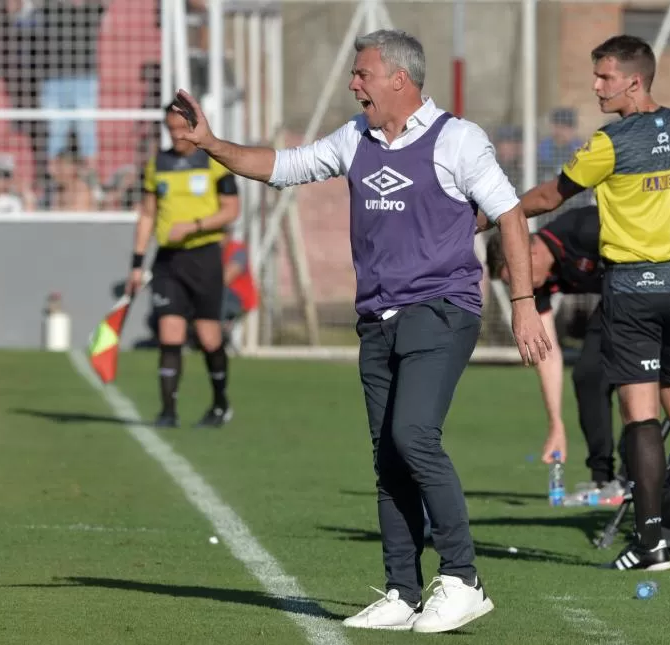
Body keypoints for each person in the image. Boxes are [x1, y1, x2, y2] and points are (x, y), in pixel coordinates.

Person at [169, 29, 550, 633]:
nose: (353, 83)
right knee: (387, 457)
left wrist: (524, 302)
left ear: (400, 79)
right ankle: (402, 591)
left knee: (413, 435)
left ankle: (464, 578)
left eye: (362, 74)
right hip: (377, 320)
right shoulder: (356, 137)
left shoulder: (458, 139)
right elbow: (283, 167)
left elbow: (507, 213)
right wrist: (210, 143)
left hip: (443, 309)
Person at [512, 34, 670, 570]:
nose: (596, 87)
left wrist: (495, 214)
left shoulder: (610, 142)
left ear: (634, 81)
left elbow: (550, 197)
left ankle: (650, 545)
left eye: (605, 77)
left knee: (640, 418)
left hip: (633, 293)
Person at [485, 205, 625, 493]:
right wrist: (556, 424)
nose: (516, 287)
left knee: (632, 383)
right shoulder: (534, 286)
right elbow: (546, 353)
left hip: (648, 286)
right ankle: (603, 479)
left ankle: (638, 473)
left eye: (513, 278)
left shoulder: (582, 230)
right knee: (587, 376)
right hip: (617, 301)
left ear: (527, 254)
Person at [125, 102, 241, 429]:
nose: (175, 135)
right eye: (170, 128)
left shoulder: (214, 163)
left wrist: (194, 226)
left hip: (203, 259)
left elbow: (231, 210)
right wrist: (136, 263)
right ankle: (167, 411)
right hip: (168, 262)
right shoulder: (157, 164)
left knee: (208, 338)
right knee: (169, 333)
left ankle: (220, 404)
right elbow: (147, 214)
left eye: (180, 128)